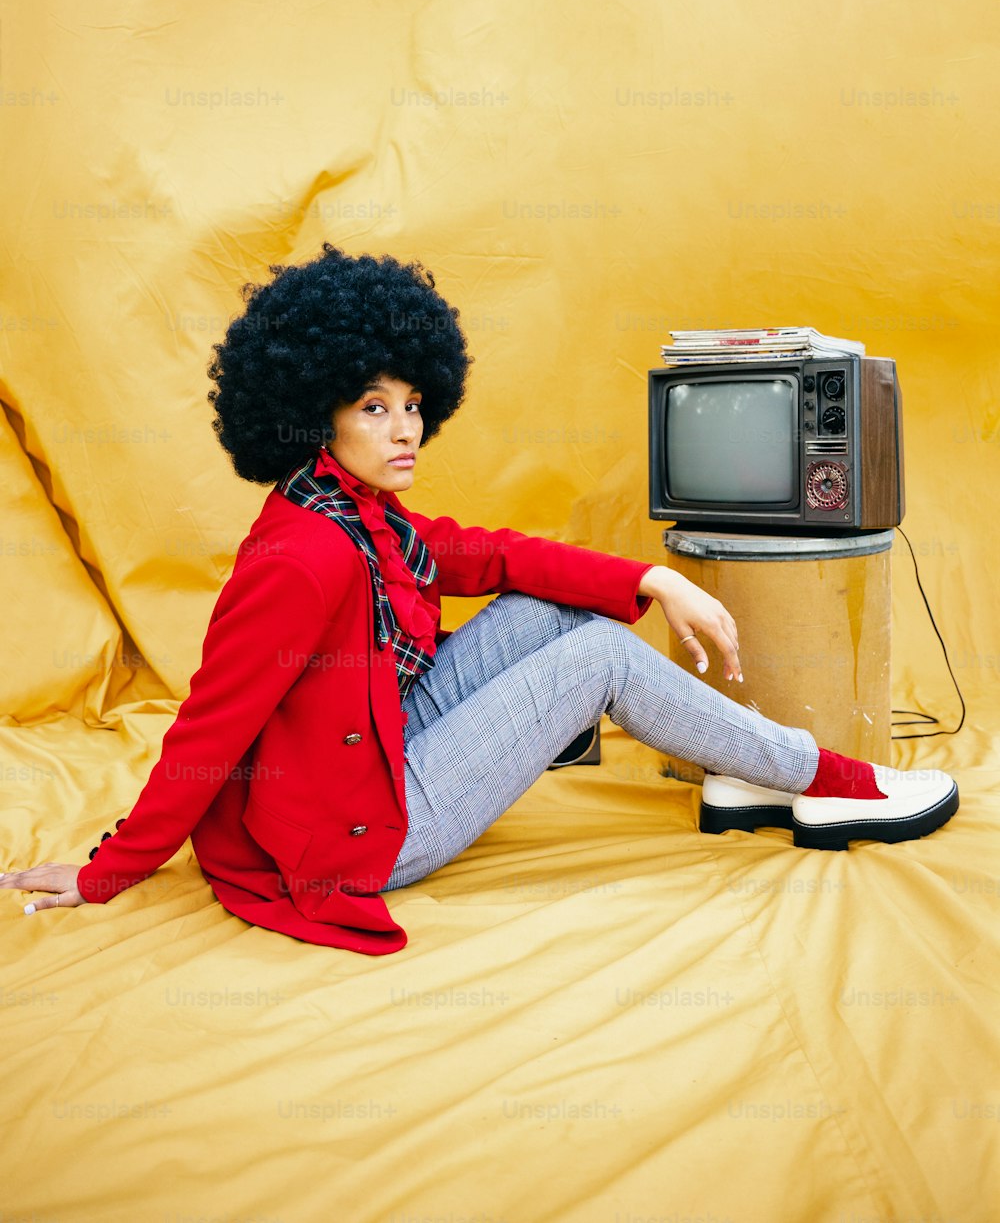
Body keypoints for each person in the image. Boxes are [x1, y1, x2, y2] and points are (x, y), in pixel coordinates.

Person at [1, 245, 959, 954]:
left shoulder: (352, 508)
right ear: (314, 409)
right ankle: (827, 780)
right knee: (600, 658)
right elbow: (211, 725)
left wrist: (654, 577)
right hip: (362, 833)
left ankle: (747, 770)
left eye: (413, 403)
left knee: (558, 612)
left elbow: (488, 555)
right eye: (374, 407)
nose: (406, 428)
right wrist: (106, 870)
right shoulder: (307, 556)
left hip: (380, 740)